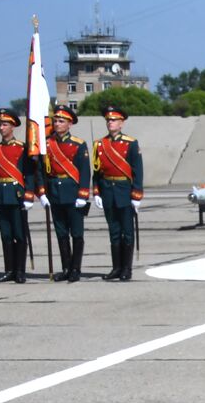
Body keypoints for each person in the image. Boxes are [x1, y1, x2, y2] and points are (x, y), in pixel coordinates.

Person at [92, 105, 143, 281]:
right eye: (108, 120)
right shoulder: (99, 144)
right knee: (114, 231)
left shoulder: (130, 143)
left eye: (113, 120)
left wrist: (136, 196)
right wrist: (97, 192)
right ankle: (116, 267)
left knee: (127, 232)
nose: (110, 123)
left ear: (121, 123)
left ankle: (127, 269)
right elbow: (97, 172)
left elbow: (137, 171)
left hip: (124, 191)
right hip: (107, 192)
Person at [43, 106, 91, 282]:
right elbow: (43, 170)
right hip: (55, 192)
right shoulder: (48, 144)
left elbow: (85, 171)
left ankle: (76, 269)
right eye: (55, 121)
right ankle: (65, 268)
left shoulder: (78, 144)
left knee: (76, 233)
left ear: (69, 124)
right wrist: (42, 192)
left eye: (61, 121)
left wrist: (83, 194)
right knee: (61, 233)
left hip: (73, 193)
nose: (57, 124)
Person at [0, 108, 35, 284]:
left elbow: (29, 173)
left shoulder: (22, 148)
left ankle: (20, 271)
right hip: (0, 194)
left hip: (16, 195)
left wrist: (29, 194)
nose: (1, 127)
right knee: (6, 234)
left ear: (13, 126)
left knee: (19, 234)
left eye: (5, 124)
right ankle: (9, 270)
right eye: (0, 124)